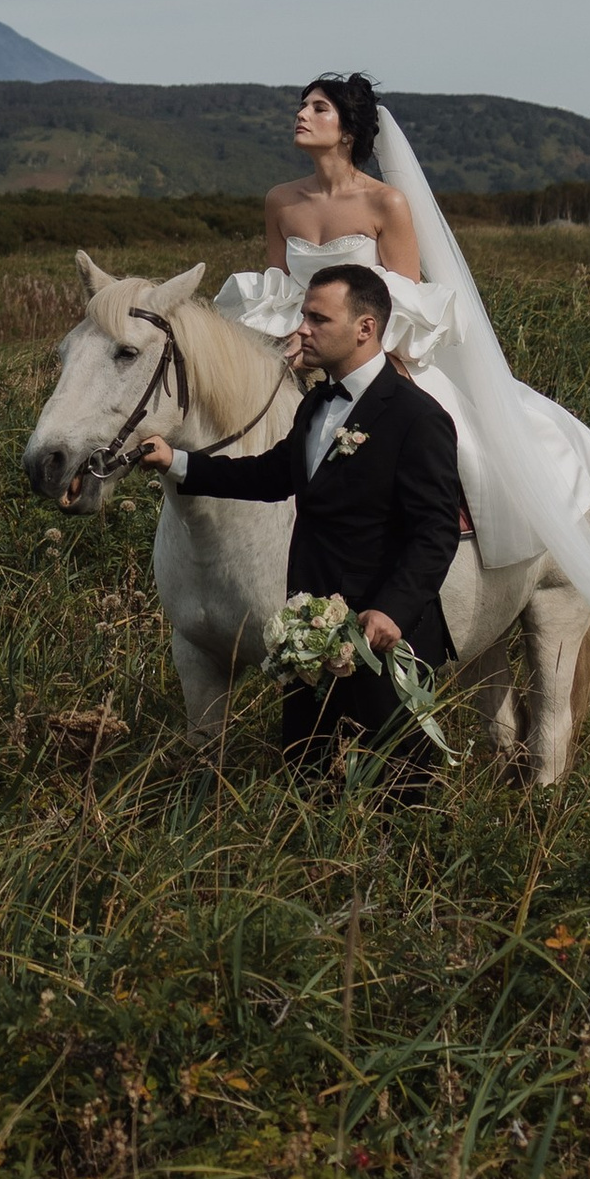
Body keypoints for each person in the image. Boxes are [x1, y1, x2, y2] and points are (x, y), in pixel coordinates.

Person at [210, 74, 590, 718]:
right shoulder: (281, 200)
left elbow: (405, 298)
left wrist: (372, 364)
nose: (301, 114)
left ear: (348, 131)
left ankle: (484, 561)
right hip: (309, 349)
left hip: (383, 350)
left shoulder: (386, 203)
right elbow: (277, 292)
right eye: (302, 105)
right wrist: (288, 347)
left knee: (453, 440)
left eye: (317, 107)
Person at [138, 263, 462, 794]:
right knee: (309, 786)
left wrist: (392, 611)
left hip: (382, 642)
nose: (301, 329)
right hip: (310, 638)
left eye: (318, 319)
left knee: (397, 794)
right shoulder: (315, 404)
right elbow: (272, 475)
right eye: (303, 316)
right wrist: (179, 463)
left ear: (365, 328)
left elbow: (435, 532)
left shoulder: (417, 417)